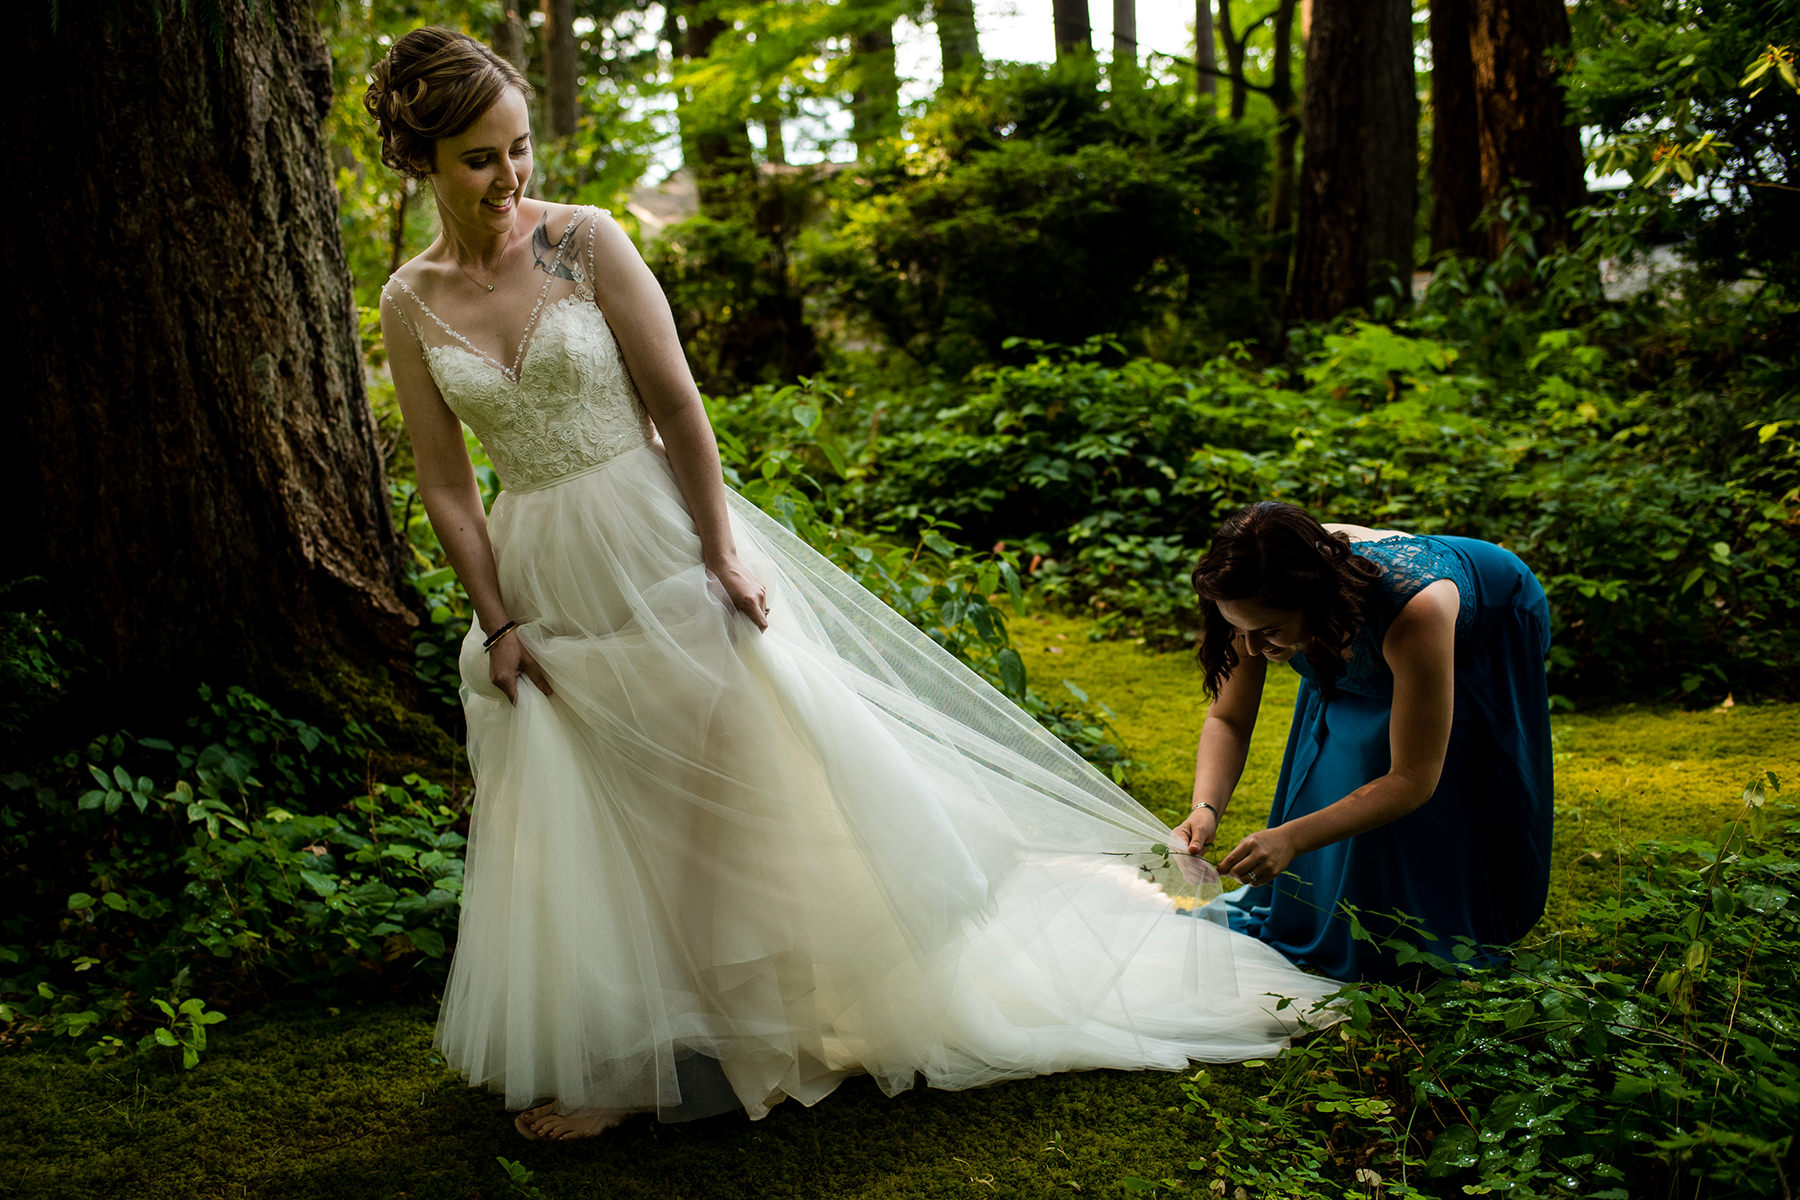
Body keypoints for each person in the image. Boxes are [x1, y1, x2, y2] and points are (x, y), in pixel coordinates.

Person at [365, 29, 1337, 1142]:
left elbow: (678, 405)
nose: (509, 177)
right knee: (603, 809)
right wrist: (496, 621)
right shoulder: (411, 300)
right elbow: (445, 485)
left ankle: (745, 1031)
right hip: (539, 563)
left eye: (519, 147)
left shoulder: (585, 244)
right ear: (425, 162)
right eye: (480, 159)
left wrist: (721, 550)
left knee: (723, 798)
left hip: (656, 538)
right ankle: (634, 1049)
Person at [1171, 502, 1554, 981]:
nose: (1251, 650)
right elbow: (1228, 717)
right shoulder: (1248, 592)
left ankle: (1440, 922)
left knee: (1423, 766)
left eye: (1268, 632)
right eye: (1240, 630)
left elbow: (1413, 778)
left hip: (1491, 623)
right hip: (1359, 625)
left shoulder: (1415, 611)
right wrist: (1205, 809)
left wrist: (1289, 839)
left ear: (1316, 602)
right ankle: (1320, 913)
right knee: (1345, 762)